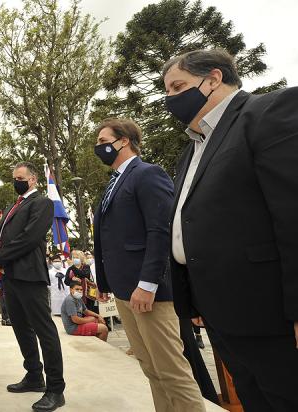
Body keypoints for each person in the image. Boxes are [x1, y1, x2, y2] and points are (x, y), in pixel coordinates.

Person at [163, 49, 298, 411]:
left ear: (213, 79)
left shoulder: (267, 113)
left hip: (269, 313)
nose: (170, 99)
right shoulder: (193, 149)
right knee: (255, 399)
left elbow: (292, 212)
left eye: (178, 86)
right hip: (222, 312)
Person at [92, 117, 205, 411]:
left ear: (124, 141)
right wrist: (104, 283)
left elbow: (161, 230)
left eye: (104, 142)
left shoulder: (147, 174)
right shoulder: (113, 184)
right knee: (150, 368)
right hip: (123, 290)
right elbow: (108, 240)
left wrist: (148, 283)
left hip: (149, 292)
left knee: (171, 371)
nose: (98, 147)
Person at [0, 162, 65, 412]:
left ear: (33, 180)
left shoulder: (41, 203)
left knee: (44, 330)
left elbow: (30, 237)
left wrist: (0, 257)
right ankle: (34, 375)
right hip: (11, 277)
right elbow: (1, 236)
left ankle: (56, 388)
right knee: (21, 329)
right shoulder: (14, 206)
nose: (16, 181)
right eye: (14, 177)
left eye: (20, 177)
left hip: (29, 275)